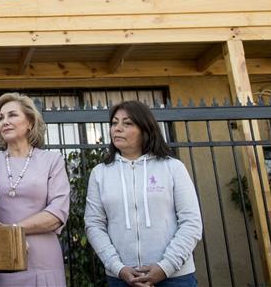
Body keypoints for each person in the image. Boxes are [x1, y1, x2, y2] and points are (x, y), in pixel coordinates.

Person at [84, 100, 203, 287]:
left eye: (127, 123)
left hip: (175, 277)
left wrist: (165, 267)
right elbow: (94, 224)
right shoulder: (100, 173)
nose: (118, 128)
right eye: (114, 123)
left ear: (145, 129)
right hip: (121, 278)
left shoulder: (173, 167)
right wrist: (118, 268)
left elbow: (191, 222)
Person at [0, 93, 70, 287]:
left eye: (12, 115)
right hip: (0, 256)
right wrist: (5, 238)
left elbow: (57, 212)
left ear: (30, 122)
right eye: (1, 118)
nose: (5, 122)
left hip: (43, 260)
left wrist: (14, 231)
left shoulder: (52, 160)